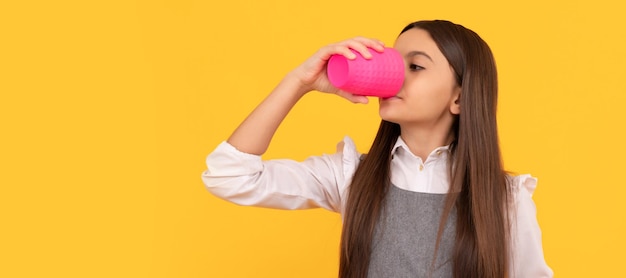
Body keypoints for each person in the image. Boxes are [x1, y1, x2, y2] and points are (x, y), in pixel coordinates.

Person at [202, 20, 553, 278]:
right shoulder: (352, 176)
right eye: (392, 63)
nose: (395, 77)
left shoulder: (504, 198)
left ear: (459, 97)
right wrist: (299, 82)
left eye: (414, 66)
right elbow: (229, 176)